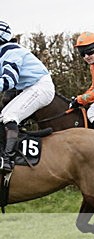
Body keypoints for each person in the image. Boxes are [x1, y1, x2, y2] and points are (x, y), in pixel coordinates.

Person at [0, 21, 56, 179]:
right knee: (4, 115)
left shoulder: (9, 52)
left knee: (9, 116)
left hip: (40, 87)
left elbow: (8, 81)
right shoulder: (3, 51)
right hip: (30, 87)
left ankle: (7, 159)